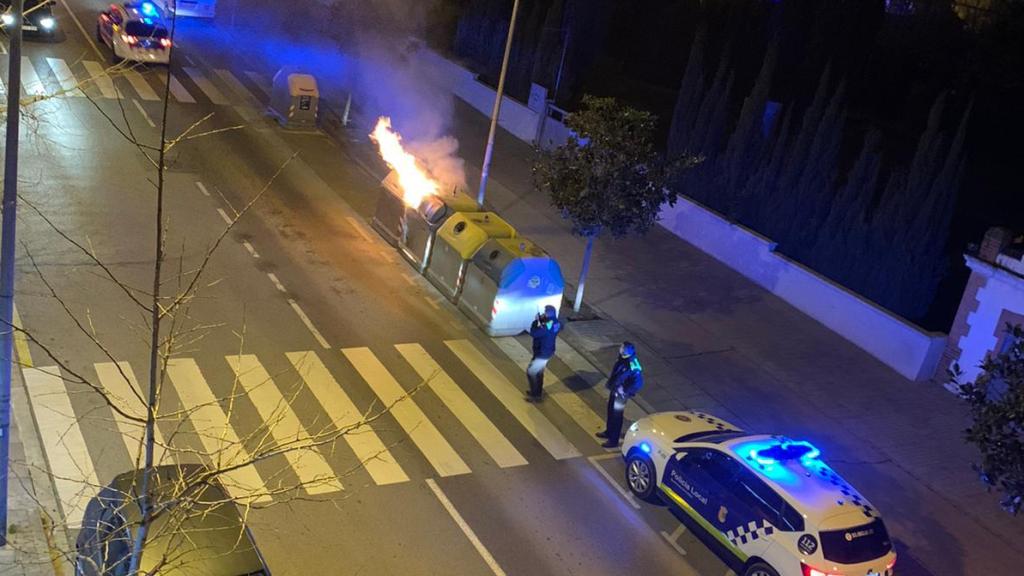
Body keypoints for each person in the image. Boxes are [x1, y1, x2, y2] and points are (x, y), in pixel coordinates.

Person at [597, 341, 644, 448]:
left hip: (621, 396)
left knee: (617, 416)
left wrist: (625, 390)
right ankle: (609, 432)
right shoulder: (623, 357)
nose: (620, 348)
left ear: (626, 350)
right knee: (610, 411)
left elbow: (638, 383)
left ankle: (614, 440)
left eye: (622, 347)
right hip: (615, 390)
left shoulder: (633, 365)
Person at [526, 304, 561, 401]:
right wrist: (543, 321)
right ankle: (537, 392)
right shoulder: (556, 323)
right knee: (539, 372)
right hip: (548, 351)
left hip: (542, 353)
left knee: (531, 372)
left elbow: (534, 333)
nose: (543, 314)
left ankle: (535, 395)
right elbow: (550, 326)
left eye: (545, 312)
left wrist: (535, 322)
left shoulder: (547, 326)